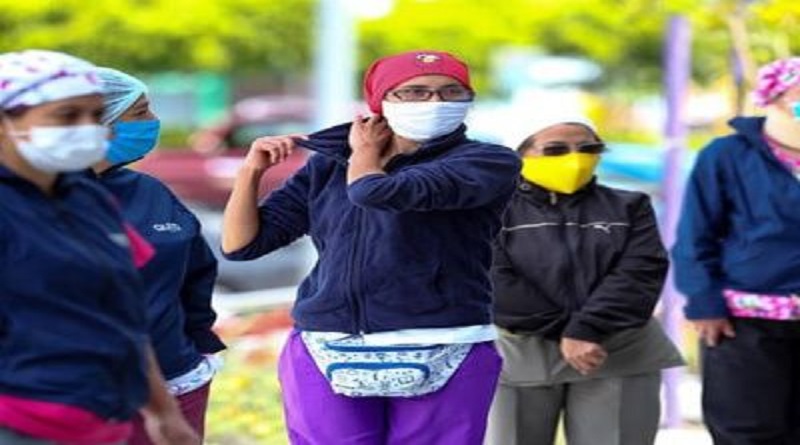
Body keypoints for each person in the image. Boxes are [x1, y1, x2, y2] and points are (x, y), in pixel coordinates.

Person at [221, 50, 521, 444]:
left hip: (444, 340)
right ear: (380, 102)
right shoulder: (327, 166)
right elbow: (242, 245)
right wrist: (252, 171)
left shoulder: (485, 161)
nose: (436, 102)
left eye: (452, 92)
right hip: (327, 341)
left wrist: (363, 154)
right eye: (414, 92)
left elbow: (375, 192)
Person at [0, 50, 199, 445]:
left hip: (102, 420)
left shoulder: (88, 200)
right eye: (67, 116)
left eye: (95, 115)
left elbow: (123, 314)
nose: (92, 129)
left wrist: (163, 413)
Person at [485, 115, 683, 445]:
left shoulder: (630, 206)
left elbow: (640, 272)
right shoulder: (489, 210)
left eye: (588, 148)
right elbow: (491, 278)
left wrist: (588, 329)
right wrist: (567, 331)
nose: (575, 157)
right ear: (519, 154)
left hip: (616, 350)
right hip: (519, 354)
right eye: (556, 149)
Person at [92, 67, 226, 445]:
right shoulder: (29, 203)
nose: (153, 122)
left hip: (175, 382)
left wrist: (196, 346)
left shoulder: (148, 191)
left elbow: (196, 272)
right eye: (139, 113)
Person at [672, 57, 800, 444]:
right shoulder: (726, 155)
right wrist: (703, 302)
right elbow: (696, 235)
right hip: (743, 322)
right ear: (774, 97)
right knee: (748, 431)